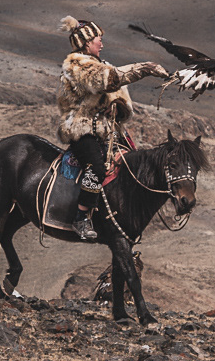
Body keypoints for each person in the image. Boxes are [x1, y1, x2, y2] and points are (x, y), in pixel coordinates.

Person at [57, 15, 168, 240]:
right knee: (97, 168)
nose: (102, 43)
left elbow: (122, 100)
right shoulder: (77, 66)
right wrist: (144, 68)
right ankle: (81, 217)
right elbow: (106, 80)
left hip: (109, 131)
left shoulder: (104, 65)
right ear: (86, 43)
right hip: (83, 129)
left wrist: (119, 106)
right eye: (98, 39)